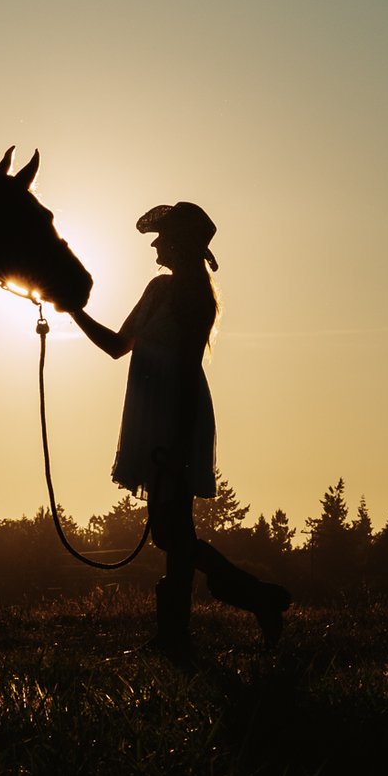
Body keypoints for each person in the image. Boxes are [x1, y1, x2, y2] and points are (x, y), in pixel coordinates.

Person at [65, 201, 290, 657]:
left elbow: (150, 358)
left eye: (163, 238)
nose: (155, 245)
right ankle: (182, 633)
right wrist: (69, 312)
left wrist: (175, 438)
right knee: (174, 532)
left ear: (179, 244)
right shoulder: (172, 291)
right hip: (165, 414)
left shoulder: (181, 295)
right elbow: (119, 348)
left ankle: (251, 600)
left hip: (173, 416)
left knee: (172, 534)